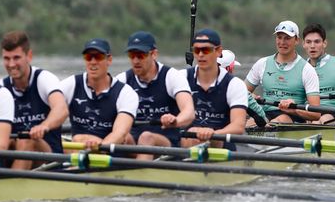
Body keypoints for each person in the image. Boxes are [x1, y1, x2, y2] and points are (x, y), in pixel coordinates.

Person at [119, 31, 195, 159]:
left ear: (154, 54)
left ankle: (139, 175)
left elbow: (189, 112)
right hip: (134, 143)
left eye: (141, 55)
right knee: (120, 136)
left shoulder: (171, 76)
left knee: (146, 137)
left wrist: (176, 121)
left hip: (166, 143)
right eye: (132, 55)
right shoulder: (122, 80)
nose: (135, 60)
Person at [0, 30, 69, 170]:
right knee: (4, 142)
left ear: (29, 56)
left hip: (50, 159)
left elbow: (61, 110)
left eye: (16, 58)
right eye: (7, 59)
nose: (11, 64)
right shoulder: (1, 87)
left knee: (27, 141)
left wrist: (44, 126)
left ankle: (10, 186)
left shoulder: (44, 79)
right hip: (17, 153)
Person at [59, 38, 138, 149]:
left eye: (98, 57)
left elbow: (120, 133)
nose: (93, 62)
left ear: (109, 60)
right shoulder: (71, 84)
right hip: (78, 148)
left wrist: (99, 147)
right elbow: (50, 111)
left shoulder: (125, 93)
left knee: (79, 139)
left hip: (110, 151)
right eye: (88, 57)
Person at [244, 20, 322, 124]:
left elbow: (316, 115)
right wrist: (250, 96)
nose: (282, 42)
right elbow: (241, 92)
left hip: (293, 117)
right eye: (279, 37)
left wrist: (294, 110)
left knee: (279, 121)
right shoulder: (262, 63)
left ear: (297, 40)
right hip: (265, 114)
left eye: (287, 38)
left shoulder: (307, 69)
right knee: (249, 123)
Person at [180, 29, 247, 148]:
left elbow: (238, 126)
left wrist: (213, 134)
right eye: (196, 50)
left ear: (218, 51)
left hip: (221, 145)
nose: (200, 54)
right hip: (185, 142)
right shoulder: (180, 77)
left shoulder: (235, 84)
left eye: (206, 50)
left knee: (197, 135)